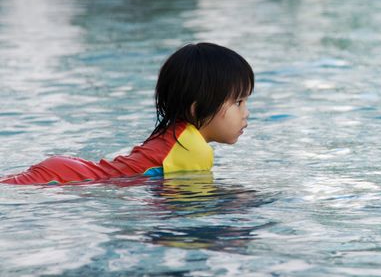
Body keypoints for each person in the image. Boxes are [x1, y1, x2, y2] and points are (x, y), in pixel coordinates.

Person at [1, 43, 253, 185]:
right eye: (238, 102)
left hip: (67, 170)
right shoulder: (193, 149)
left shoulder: (176, 135)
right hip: (67, 177)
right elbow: (185, 207)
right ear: (196, 108)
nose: (246, 113)